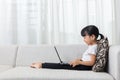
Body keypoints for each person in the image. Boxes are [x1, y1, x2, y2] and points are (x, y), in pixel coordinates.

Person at [30, 25, 104, 70]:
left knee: (61, 66)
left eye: (85, 37)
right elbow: (87, 59)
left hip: (85, 67)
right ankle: (42, 64)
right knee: (63, 65)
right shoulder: (92, 46)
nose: (84, 40)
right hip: (83, 65)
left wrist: (79, 62)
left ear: (92, 36)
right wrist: (79, 60)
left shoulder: (93, 47)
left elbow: (91, 63)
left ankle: (42, 65)